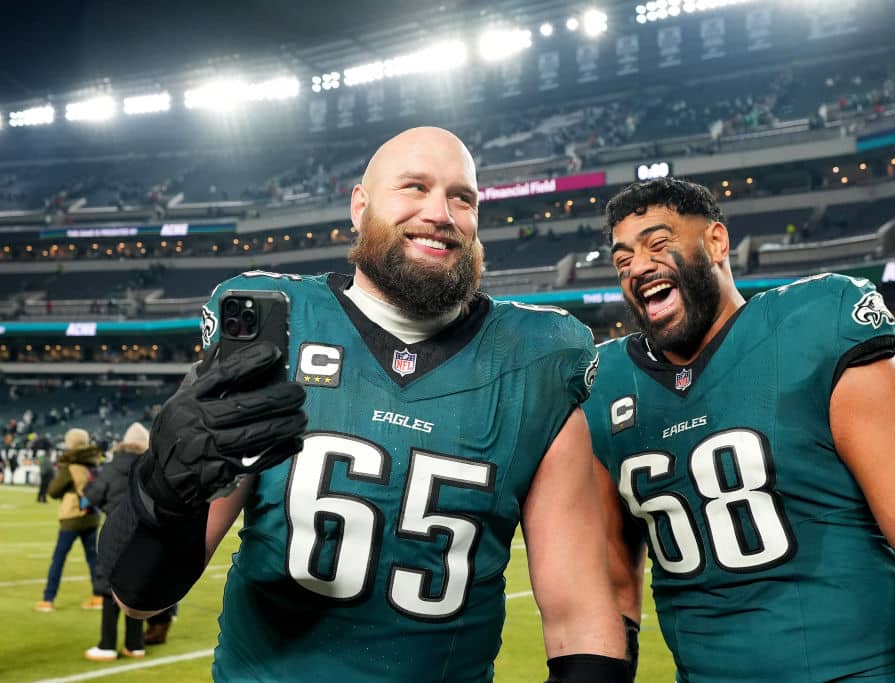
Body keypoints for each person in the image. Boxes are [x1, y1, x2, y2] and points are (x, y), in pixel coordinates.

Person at [99, 127, 629, 682]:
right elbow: (142, 598)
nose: (440, 213)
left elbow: (580, 618)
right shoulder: (279, 333)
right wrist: (161, 490)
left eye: (462, 198)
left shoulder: (535, 357)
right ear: (360, 205)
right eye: (414, 187)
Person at [585, 177, 895, 682]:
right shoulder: (605, 384)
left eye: (658, 243)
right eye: (622, 259)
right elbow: (611, 586)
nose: (639, 266)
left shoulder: (814, 323)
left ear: (716, 241)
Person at [82, 422, 151, 661]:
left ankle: (107, 645)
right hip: (146, 533)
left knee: (110, 588)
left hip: (116, 528)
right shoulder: (152, 467)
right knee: (136, 588)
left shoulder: (112, 467)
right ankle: (135, 644)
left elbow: (92, 496)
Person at [36, 427, 105, 612]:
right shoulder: (95, 463)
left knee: (58, 558)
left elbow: (53, 491)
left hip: (72, 517)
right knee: (93, 559)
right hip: (92, 516)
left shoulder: (70, 466)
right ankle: (98, 597)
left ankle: (48, 599)